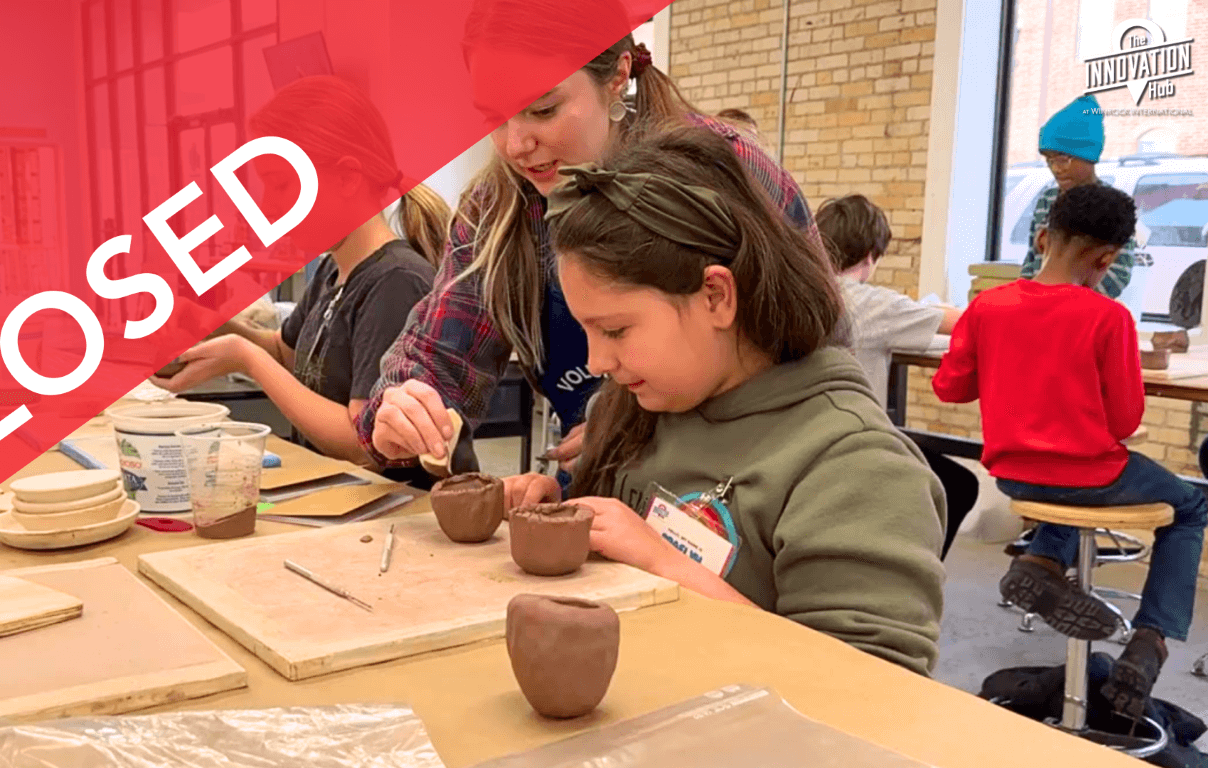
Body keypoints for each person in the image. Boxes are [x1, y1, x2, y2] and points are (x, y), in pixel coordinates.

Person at [505, 127, 947, 676]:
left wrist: (663, 563)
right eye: (586, 332)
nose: (596, 363)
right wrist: (562, 506)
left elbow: (871, 694)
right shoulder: (645, 406)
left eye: (616, 330)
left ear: (716, 295)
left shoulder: (857, 470)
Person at [358, 0, 823, 480]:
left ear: (618, 74)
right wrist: (404, 407)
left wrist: (634, 429)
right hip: (597, 480)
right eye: (493, 118)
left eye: (543, 109)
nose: (516, 144)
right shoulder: (496, 211)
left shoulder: (728, 171)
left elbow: (814, 370)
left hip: (738, 488)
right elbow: (439, 355)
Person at [933, 184, 1207, 719]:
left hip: (1013, 477)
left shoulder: (987, 307)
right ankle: (1152, 639)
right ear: (1107, 260)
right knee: (1192, 504)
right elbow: (1126, 420)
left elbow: (951, 388)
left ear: (1041, 238)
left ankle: (1041, 560)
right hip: (1089, 477)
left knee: (1068, 481)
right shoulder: (1108, 318)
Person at [155, 76, 451, 485]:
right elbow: (291, 355)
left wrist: (247, 357)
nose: (266, 204)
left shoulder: (395, 282)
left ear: (348, 178)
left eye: (281, 184)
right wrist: (220, 324)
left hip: (389, 510)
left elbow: (361, 440)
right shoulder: (335, 269)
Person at [816, 194, 975, 557]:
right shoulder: (872, 303)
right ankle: (913, 578)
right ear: (870, 255)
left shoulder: (803, 292)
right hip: (852, 446)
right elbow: (963, 326)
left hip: (801, 435)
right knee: (959, 484)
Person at [1018, 95, 1134, 299]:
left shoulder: (1113, 207)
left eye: (1063, 159)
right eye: (1049, 160)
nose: (1056, 169)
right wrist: (1028, 298)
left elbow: (1118, 275)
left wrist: (1070, 304)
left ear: (1089, 156)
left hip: (1084, 311)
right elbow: (1032, 261)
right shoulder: (1047, 200)